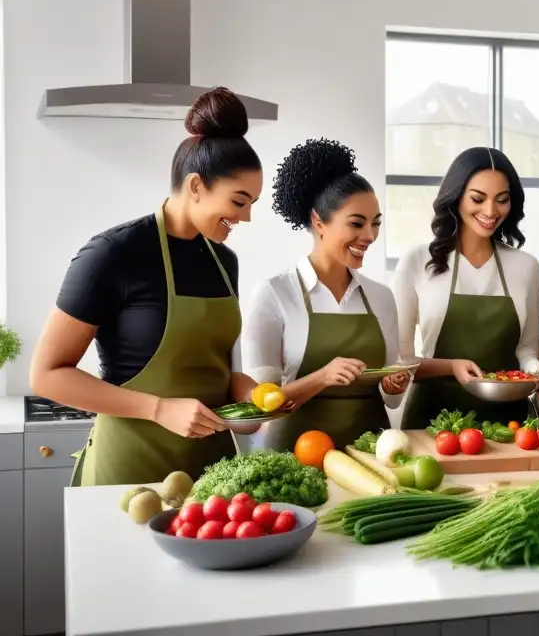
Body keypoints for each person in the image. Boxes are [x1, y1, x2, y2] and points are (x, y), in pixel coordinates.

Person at [30, 87, 263, 486]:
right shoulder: (112, 254)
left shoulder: (225, 262)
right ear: (195, 186)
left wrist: (241, 389)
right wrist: (158, 409)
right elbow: (47, 374)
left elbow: (210, 367)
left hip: (213, 474)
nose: (247, 217)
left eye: (252, 203)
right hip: (129, 471)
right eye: (239, 201)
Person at [242, 139, 409, 450]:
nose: (370, 236)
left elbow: (393, 401)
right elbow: (259, 406)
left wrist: (394, 384)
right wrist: (322, 377)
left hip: (370, 457)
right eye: (357, 223)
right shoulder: (274, 294)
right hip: (293, 457)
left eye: (375, 224)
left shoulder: (381, 297)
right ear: (319, 222)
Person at [394, 147, 539, 428]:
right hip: (433, 422)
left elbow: (526, 350)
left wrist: (534, 369)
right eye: (478, 198)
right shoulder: (417, 261)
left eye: (502, 200)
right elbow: (400, 360)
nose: (490, 211)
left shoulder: (526, 266)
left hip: (508, 425)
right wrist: (451, 366)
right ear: (456, 196)